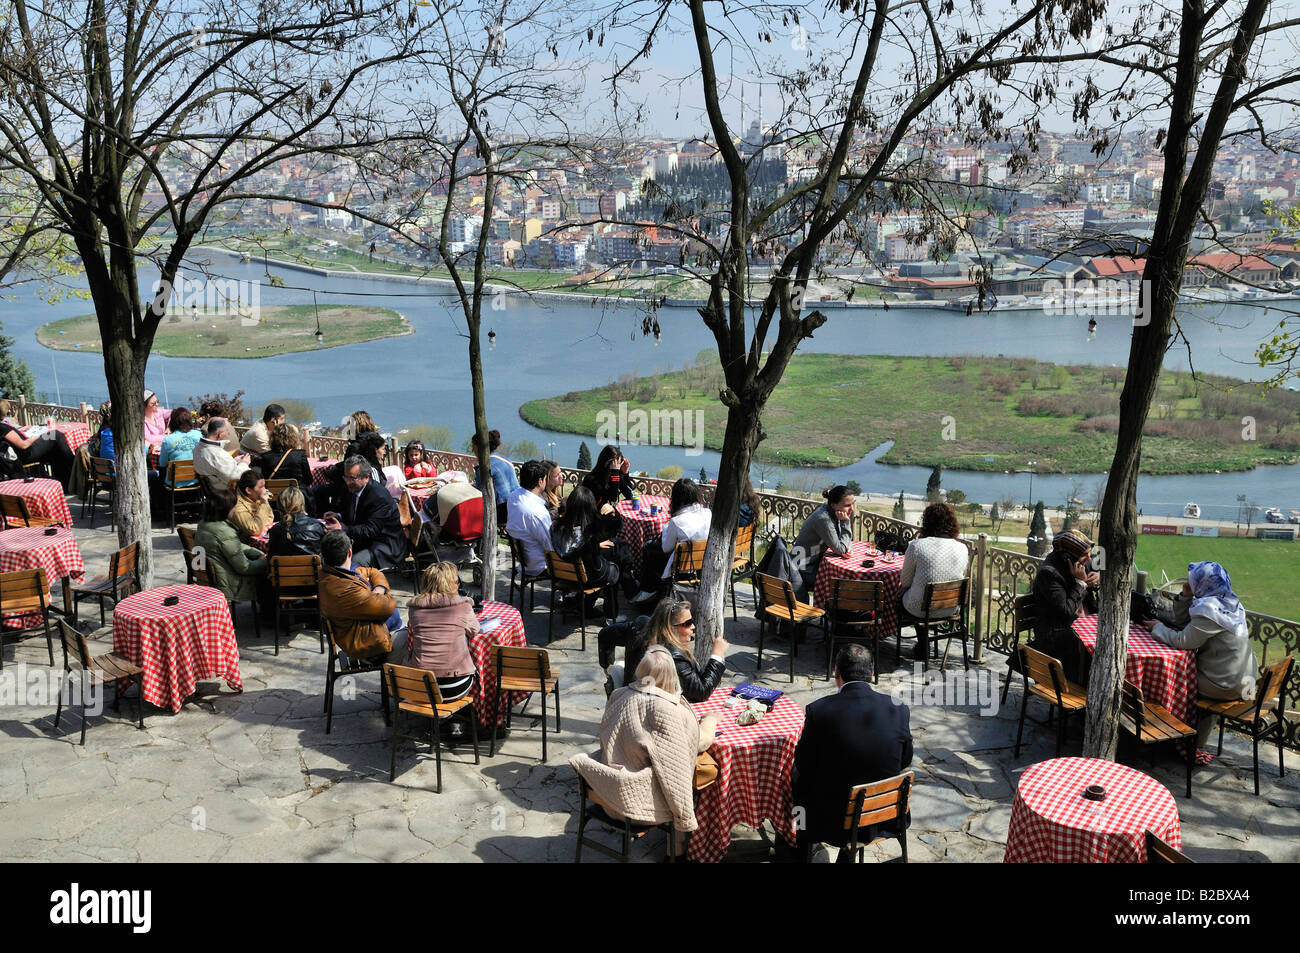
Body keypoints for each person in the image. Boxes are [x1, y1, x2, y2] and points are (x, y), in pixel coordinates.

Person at [569, 645, 720, 844]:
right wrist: (686, 819)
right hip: (633, 808)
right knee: (695, 775)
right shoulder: (663, 709)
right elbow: (675, 773)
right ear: (671, 675)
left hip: (603, 792)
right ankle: (679, 851)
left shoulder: (618, 695)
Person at [790, 644, 912, 862]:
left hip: (833, 821)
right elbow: (905, 759)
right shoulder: (899, 708)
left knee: (795, 778)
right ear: (872, 673)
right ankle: (848, 853)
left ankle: (800, 845)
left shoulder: (819, 711)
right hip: (885, 816)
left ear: (836, 672)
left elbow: (804, 763)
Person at [1150, 561, 1260, 746]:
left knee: (1172, 678)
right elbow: (1189, 625)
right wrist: (1186, 596)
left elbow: (1183, 641)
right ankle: (1186, 737)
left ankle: (1174, 737)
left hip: (1225, 685)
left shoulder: (1209, 611)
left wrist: (1158, 627)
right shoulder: (1229, 602)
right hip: (1245, 681)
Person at [317, 529, 408, 664]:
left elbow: (372, 571)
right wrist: (378, 595)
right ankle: (394, 683)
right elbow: (388, 605)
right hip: (372, 648)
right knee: (418, 638)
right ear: (349, 552)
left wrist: (378, 590)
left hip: (373, 636)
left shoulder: (335, 573)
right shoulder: (345, 588)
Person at [549, 485, 637, 617]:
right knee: (616, 563)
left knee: (616, 548)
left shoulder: (555, 526)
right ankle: (612, 614)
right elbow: (618, 526)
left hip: (563, 576)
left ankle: (585, 606)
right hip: (587, 577)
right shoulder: (590, 531)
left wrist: (595, 546)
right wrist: (614, 511)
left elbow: (575, 549)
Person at [899, 502, 971, 660]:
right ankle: (923, 645)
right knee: (922, 596)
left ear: (926, 523)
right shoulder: (963, 548)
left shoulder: (916, 546)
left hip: (919, 609)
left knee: (903, 596)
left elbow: (905, 581)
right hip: (950, 607)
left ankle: (921, 646)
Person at [1026, 529, 1098, 683]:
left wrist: (1098, 579)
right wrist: (1081, 584)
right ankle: (1080, 694)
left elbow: (1099, 572)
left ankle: (1093, 691)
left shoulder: (1080, 564)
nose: (1089, 558)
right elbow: (1065, 611)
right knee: (1091, 649)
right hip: (1055, 635)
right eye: (1085, 555)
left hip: (1082, 626)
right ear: (1068, 556)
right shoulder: (1049, 574)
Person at [406, 561, 479, 702]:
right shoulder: (463, 606)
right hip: (455, 685)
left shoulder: (414, 608)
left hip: (422, 684)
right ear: (453, 584)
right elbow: (474, 630)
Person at [632, 477, 712, 604]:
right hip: (701, 564)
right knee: (653, 549)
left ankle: (647, 589)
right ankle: (648, 587)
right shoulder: (708, 513)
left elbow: (666, 548)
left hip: (682, 567)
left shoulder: (677, 521)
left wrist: (666, 528)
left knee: (648, 547)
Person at [320, 456, 406, 569]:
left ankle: (358, 586)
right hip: (364, 541)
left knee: (351, 565)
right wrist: (338, 516)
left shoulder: (379, 496)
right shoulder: (354, 488)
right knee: (328, 554)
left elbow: (371, 530)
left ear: (366, 477)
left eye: (352, 478)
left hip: (384, 546)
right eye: (346, 478)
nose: (348, 482)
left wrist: (342, 528)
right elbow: (356, 513)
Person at [195, 490, 272, 610]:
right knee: (269, 575)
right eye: (233, 506)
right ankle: (270, 616)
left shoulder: (204, 524)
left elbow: (235, 546)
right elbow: (244, 567)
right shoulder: (224, 532)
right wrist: (265, 562)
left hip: (210, 578)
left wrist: (258, 553)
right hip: (229, 583)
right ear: (225, 509)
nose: (235, 509)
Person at [644, 597, 728, 703]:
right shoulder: (674, 657)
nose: (693, 626)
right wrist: (717, 655)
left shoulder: (655, 640)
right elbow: (701, 692)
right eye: (687, 623)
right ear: (671, 628)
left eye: (692, 621)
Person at [792, 485, 856, 598]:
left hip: (815, 561)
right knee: (839, 583)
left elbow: (843, 542)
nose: (852, 509)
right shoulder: (823, 519)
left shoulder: (834, 512)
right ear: (833, 505)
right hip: (802, 567)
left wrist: (848, 547)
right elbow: (840, 549)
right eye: (847, 505)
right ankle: (828, 612)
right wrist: (846, 522)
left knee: (844, 581)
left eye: (853, 503)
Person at [0, 400, 75, 487]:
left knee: (55, 450)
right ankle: (73, 466)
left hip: (22, 451)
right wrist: (35, 436)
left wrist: (20, 430)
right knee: (56, 435)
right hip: (27, 452)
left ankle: (65, 482)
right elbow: (23, 445)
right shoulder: (2, 428)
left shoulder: (2, 426)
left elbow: (8, 436)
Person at [505, 460, 553, 577]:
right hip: (539, 565)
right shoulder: (536, 512)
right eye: (545, 479)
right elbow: (550, 545)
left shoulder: (513, 496)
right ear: (540, 481)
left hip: (524, 560)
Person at [472, 429, 519, 526]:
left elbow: (480, 495)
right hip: (517, 504)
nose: (472, 450)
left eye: (473, 446)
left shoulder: (484, 467)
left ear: (479, 447)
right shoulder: (505, 459)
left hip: (503, 511)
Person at [193, 417, 250, 493]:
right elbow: (235, 477)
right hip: (223, 494)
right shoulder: (218, 454)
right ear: (220, 434)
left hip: (207, 490)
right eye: (227, 431)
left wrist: (233, 461)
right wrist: (244, 463)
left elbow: (215, 466)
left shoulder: (198, 447)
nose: (229, 434)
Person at [266, 486, 325, 558]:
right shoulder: (317, 526)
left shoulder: (275, 530)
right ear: (302, 503)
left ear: (279, 506)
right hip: (314, 568)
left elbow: (270, 558)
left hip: (284, 569)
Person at [256, 422, 313, 497]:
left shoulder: (265, 457)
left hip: (273, 500)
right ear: (293, 438)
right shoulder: (300, 455)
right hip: (297, 499)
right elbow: (309, 480)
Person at [228, 468, 275, 543]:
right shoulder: (238, 507)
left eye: (264, 486)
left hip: (258, 539)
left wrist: (259, 523)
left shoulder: (256, 496)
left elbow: (270, 518)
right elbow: (255, 530)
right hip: (242, 544)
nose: (265, 490)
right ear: (248, 490)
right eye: (261, 487)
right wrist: (263, 504)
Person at [158, 406, 201, 487]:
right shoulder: (198, 435)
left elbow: (162, 464)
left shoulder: (168, 440)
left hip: (174, 484)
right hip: (196, 481)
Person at [581, 444, 633, 508]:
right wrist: (615, 472)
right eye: (616, 464)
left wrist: (625, 473)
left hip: (607, 511)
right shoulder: (591, 479)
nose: (618, 466)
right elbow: (612, 498)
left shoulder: (615, 475)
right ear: (607, 463)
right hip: (594, 513)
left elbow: (630, 494)